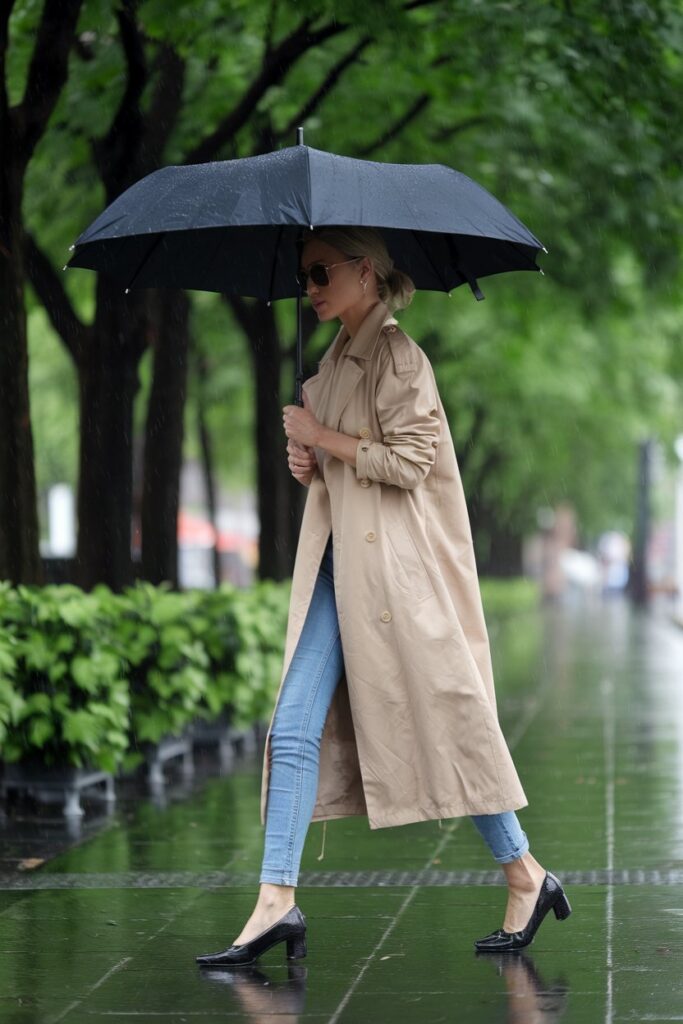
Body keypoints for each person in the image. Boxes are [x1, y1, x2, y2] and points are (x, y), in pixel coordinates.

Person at [195, 227, 571, 968]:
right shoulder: (332, 361)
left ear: (365, 273)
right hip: (341, 570)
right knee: (294, 725)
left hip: (399, 578)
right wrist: (306, 457)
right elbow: (336, 472)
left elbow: (408, 463)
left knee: (450, 724)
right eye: (302, 276)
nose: (308, 288)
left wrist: (321, 435)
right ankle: (276, 898)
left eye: (318, 273)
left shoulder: (399, 356)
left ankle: (524, 872)